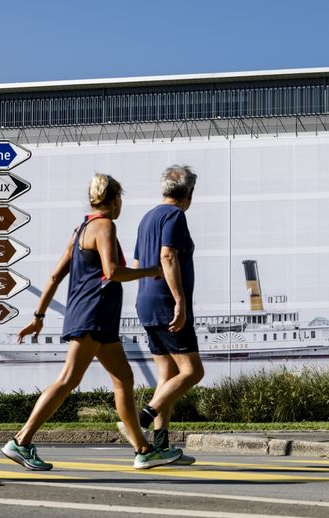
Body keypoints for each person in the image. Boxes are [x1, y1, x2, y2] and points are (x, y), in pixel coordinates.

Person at [1, 173, 182, 471]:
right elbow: (112, 272)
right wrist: (150, 272)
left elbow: (56, 275)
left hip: (96, 318)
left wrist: (39, 316)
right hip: (93, 315)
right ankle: (21, 440)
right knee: (68, 379)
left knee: (124, 379)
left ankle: (143, 449)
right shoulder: (105, 226)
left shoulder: (81, 228)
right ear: (116, 200)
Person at [121, 165, 204, 463]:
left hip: (146, 302)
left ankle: (159, 447)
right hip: (167, 304)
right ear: (189, 194)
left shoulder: (147, 218)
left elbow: (138, 261)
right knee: (193, 371)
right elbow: (167, 255)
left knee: (167, 376)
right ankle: (140, 421)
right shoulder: (175, 216)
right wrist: (180, 301)